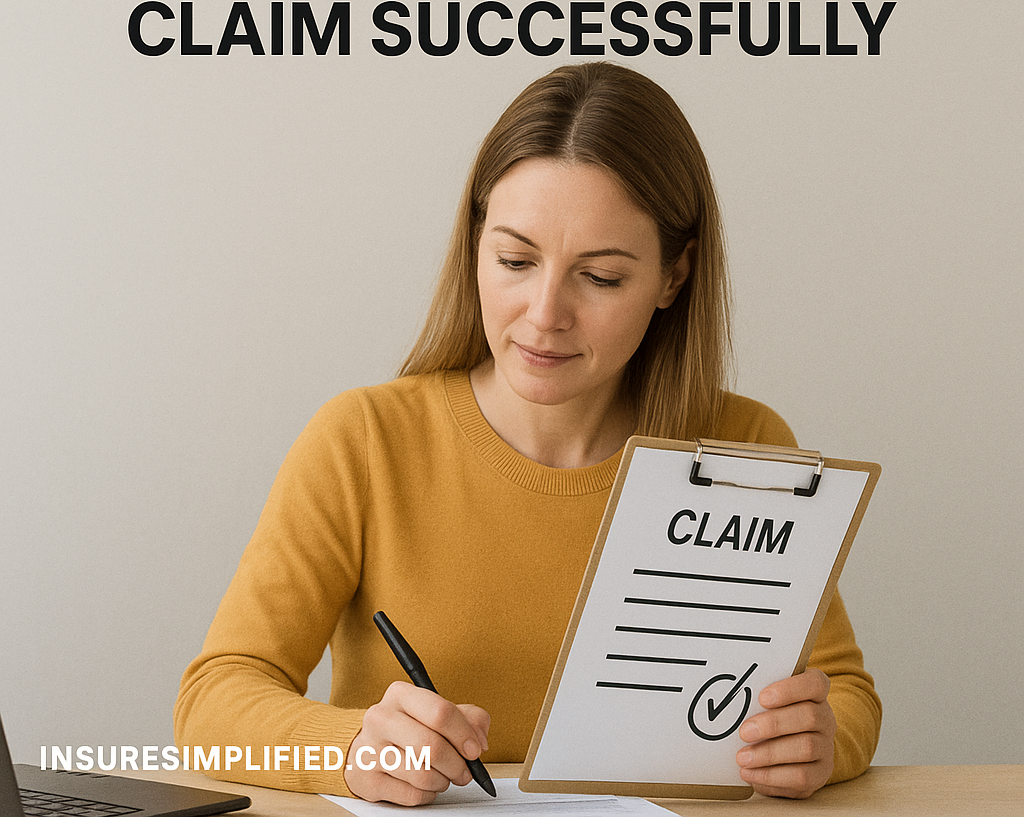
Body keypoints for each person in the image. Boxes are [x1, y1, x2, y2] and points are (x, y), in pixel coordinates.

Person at [174, 62, 881, 804]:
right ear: (474, 245)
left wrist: (819, 740)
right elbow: (215, 696)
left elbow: (844, 694)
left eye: (601, 277)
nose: (545, 315)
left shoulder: (745, 445)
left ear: (674, 277)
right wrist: (349, 748)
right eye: (515, 261)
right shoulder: (364, 440)